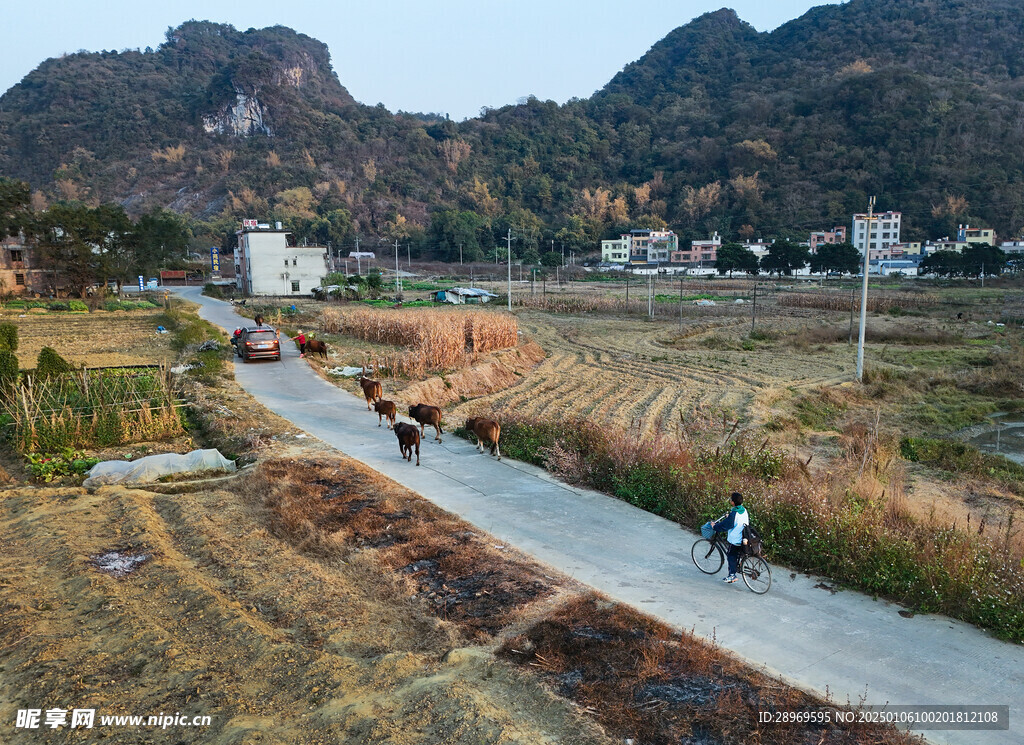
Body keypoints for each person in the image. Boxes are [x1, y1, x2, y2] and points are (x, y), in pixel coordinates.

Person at [711, 492, 749, 584]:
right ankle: (737, 566)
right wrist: (730, 516)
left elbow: (726, 525)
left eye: (731, 499)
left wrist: (715, 526)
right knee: (736, 555)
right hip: (745, 537)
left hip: (736, 539)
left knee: (730, 555)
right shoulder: (743, 510)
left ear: (733, 502)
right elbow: (736, 519)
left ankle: (732, 575)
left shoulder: (734, 514)